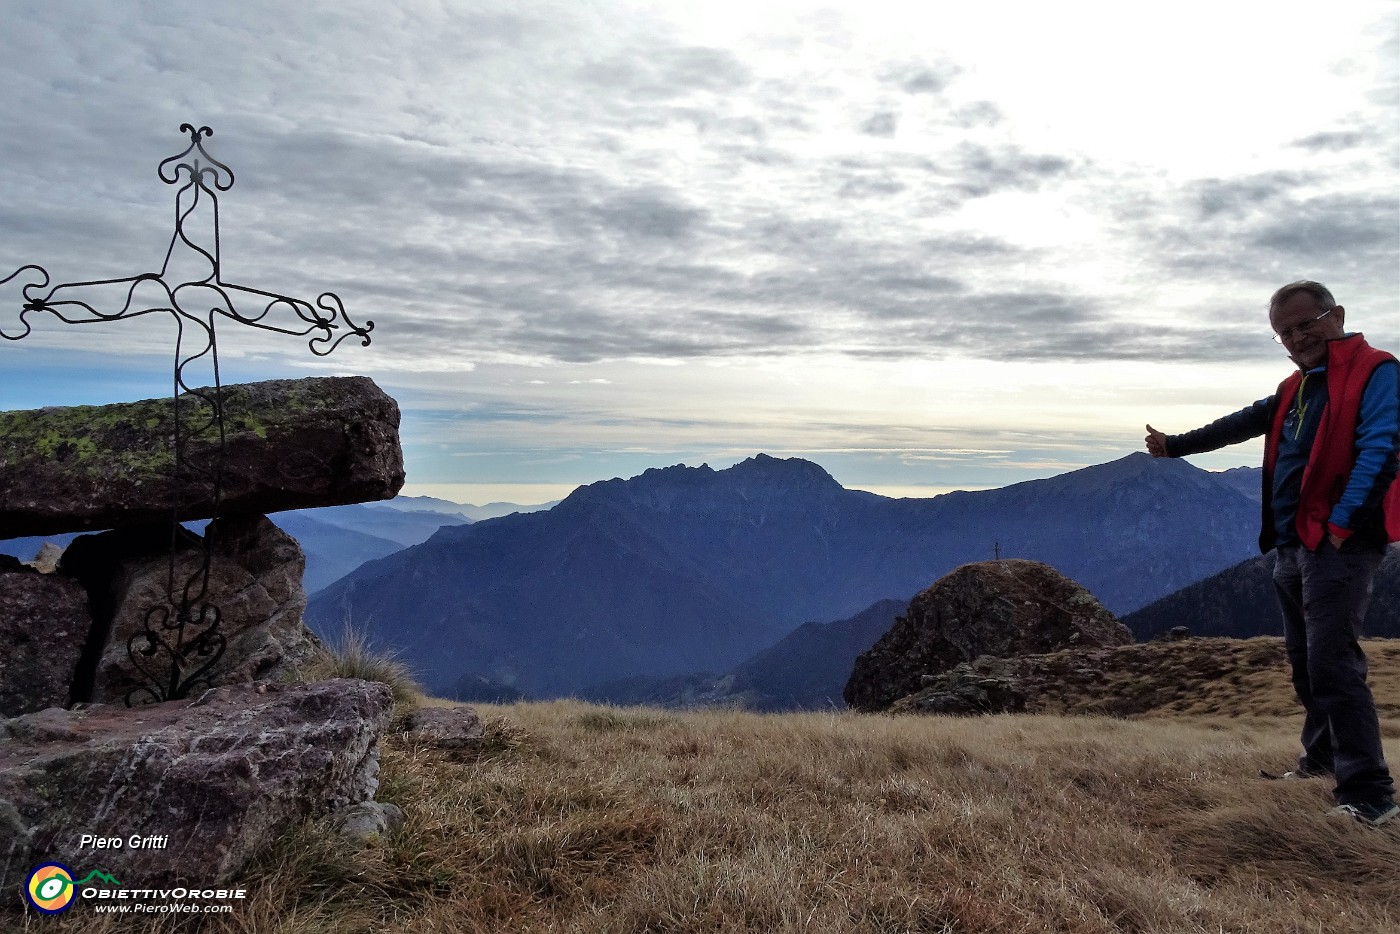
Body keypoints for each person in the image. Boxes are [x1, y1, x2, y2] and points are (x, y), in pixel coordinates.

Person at [1145, 280, 1398, 828]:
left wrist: (1340, 526)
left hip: (1338, 542)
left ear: (1338, 316)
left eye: (1307, 323)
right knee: (1307, 662)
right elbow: (1242, 422)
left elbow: (1383, 449)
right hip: (1292, 542)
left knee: (1333, 662)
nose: (1297, 337)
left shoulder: (1377, 371)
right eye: (1284, 332)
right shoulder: (1298, 386)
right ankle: (1323, 759)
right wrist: (1176, 446)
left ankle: (1370, 793)